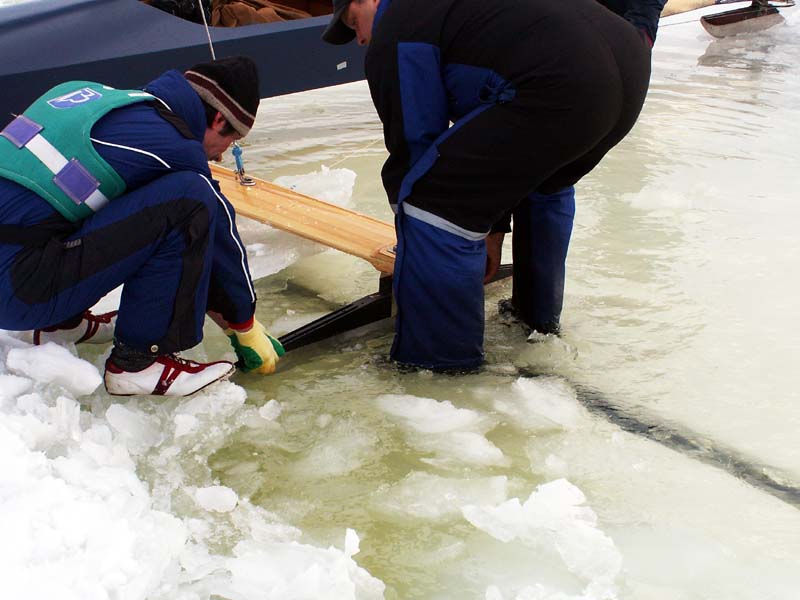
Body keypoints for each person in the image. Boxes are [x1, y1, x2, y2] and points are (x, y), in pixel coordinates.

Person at [322, 0, 662, 370]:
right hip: (627, 65)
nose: (359, 40)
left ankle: (439, 367)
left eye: (354, 23)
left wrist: (419, 247)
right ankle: (535, 323)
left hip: (560, 77)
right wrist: (493, 230)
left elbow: (415, 144)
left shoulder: (399, 23)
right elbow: (490, 144)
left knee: (433, 201)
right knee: (542, 184)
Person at [0, 56, 283, 396]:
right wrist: (243, 324)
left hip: (16, 267)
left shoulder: (89, 97)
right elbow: (218, 233)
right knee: (191, 198)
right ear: (219, 118)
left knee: (95, 194)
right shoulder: (172, 146)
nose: (222, 156)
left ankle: (60, 323)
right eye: (232, 140)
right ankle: (138, 362)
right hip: (18, 290)